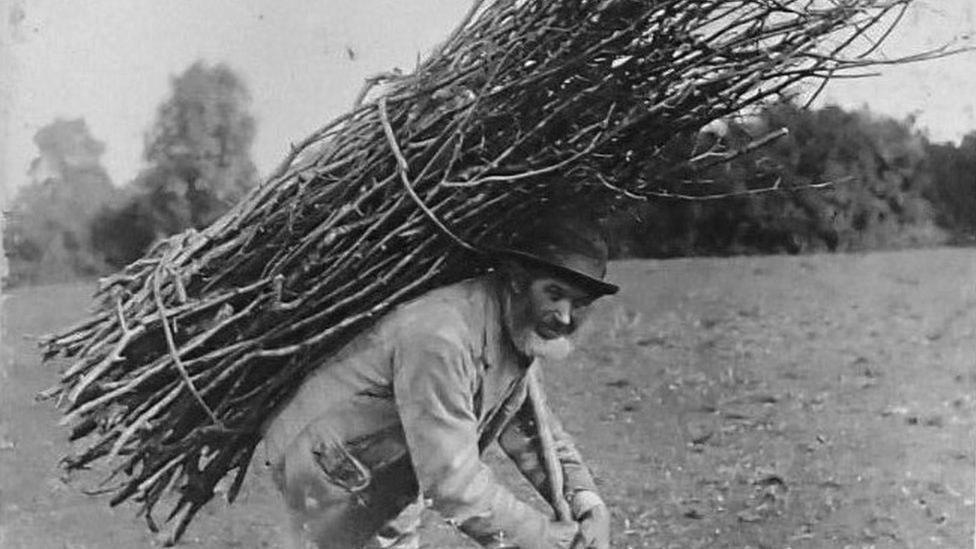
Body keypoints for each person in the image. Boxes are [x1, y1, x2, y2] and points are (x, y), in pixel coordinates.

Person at [261, 212, 619, 549]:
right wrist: (546, 540)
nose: (565, 317)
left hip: (385, 463)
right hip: (326, 464)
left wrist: (588, 502)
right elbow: (452, 485)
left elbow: (533, 428)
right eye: (554, 294)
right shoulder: (443, 336)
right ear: (517, 280)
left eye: (580, 302)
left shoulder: (515, 325)